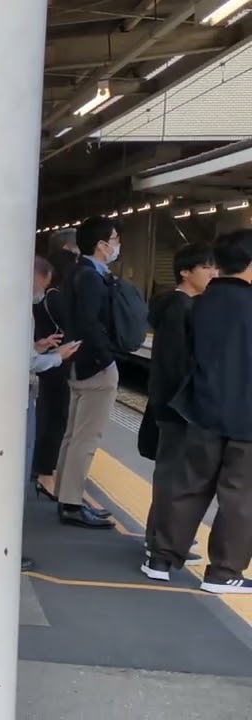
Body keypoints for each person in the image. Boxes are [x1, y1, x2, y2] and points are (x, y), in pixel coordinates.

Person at [145, 230, 252, 593]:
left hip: (203, 411)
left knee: (187, 487)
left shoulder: (199, 303)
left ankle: (161, 558)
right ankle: (223, 572)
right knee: (239, 497)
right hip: (247, 418)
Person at [140, 244, 216, 568]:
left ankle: (160, 536)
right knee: (174, 475)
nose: (213, 273)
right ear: (186, 271)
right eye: (206, 267)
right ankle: (161, 542)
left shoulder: (181, 306)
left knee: (171, 473)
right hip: (177, 407)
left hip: (171, 404)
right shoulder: (179, 308)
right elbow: (176, 363)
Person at [53, 216, 121, 529]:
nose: (118, 245)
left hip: (77, 362)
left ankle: (65, 497)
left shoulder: (75, 273)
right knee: (86, 438)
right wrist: (107, 359)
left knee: (73, 434)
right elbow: (92, 323)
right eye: (115, 238)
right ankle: (72, 504)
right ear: (101, 245)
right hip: (95, 366)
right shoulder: (92, 278)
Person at [26, 257, 81, 572]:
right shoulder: (20, 311)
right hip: (20, 395)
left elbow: (23, 354)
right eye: (42, 284)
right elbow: (25, 363)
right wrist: (56, 356)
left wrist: (37, 346)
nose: (42, 292)